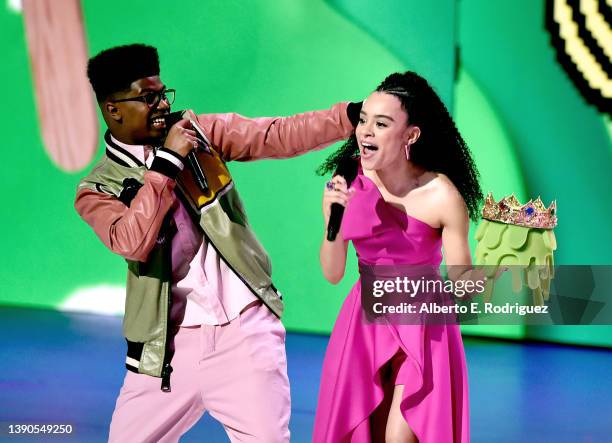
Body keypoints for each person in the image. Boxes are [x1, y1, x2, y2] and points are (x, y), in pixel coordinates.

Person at [74, 43, 356, 443]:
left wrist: (348, 116)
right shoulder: (97, 189)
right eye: (147, 97)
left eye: (162, 94)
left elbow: (275, 135)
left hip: (244, 331)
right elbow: (132, 242)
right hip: (165, 351)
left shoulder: (198, 133)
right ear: (113, 109)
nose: (161, 106)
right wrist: (167, 163)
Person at [313, 71, 483, 443]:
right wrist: (331, 221)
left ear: (411, 135)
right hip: (365, 323)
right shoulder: (348, 182)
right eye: (363, 121)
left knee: (400, 435)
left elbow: (463, 285)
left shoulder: (442, 196)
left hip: (424, 328)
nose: (366, 132)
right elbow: (332, 272)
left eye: (381, 123)